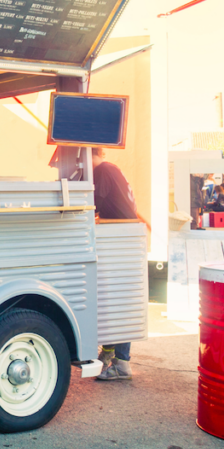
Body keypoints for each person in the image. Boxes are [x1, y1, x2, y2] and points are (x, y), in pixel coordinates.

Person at [92, 147, 149, 380]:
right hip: (125, 236)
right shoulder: (111, 169)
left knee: (119, 298)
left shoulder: (102, 170)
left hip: (122, 238)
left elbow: (92, 205)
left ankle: (122, 363)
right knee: (112, 295)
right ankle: (108, 351)